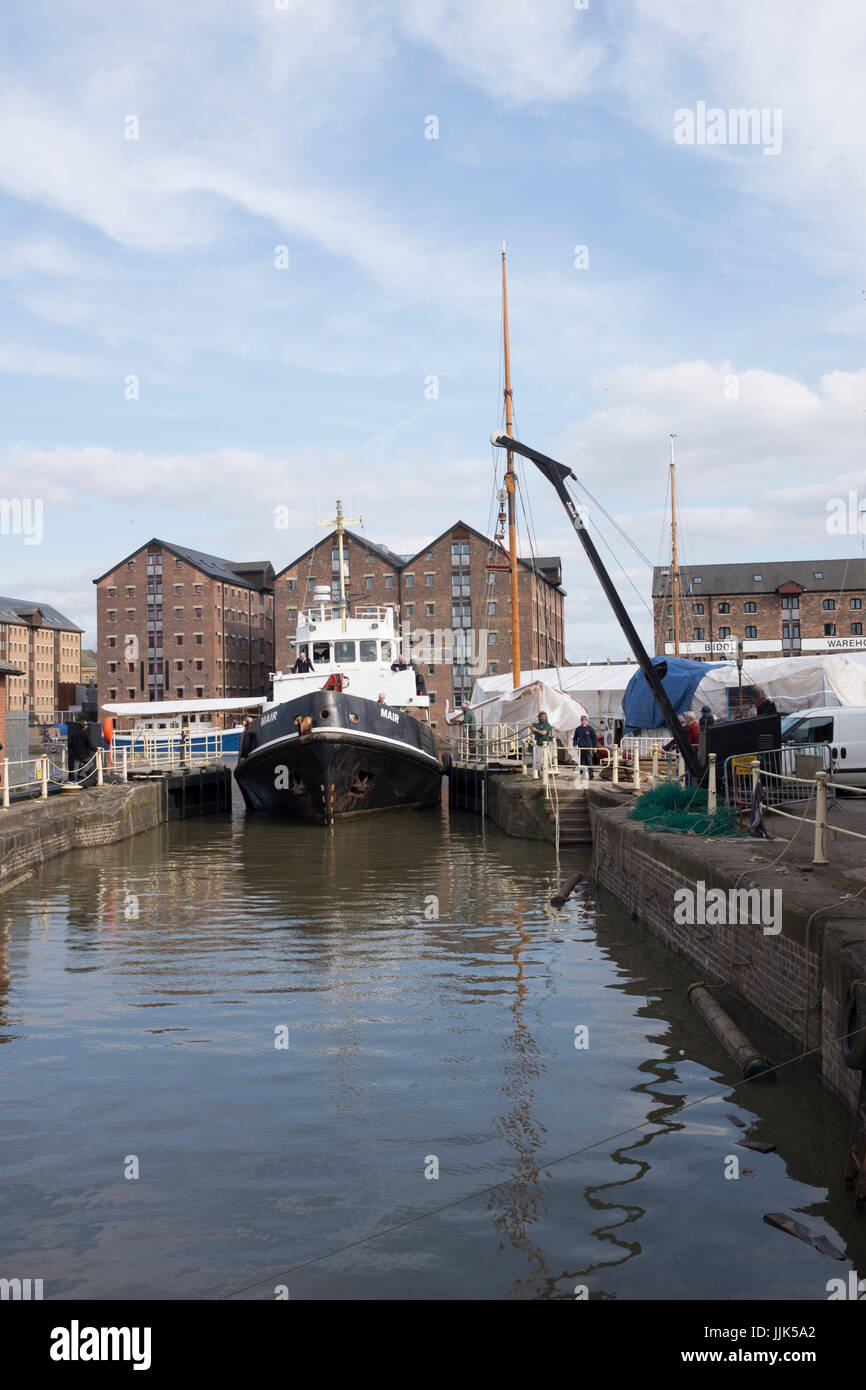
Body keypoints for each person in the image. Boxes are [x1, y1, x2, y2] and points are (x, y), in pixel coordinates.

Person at [572, 714, 598, 779]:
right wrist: (575, 745)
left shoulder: (590, 729)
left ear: (587, 721)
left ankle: (591, 774)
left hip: (588, 747)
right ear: (581, 721)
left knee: (589, 761)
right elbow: (575, 738)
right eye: (582, 720)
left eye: (585, 720)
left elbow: (594, 738)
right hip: (581, 748)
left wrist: (595, 747)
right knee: (582, 762)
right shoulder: (578, 729)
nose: (584, 722)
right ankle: (582, 775)